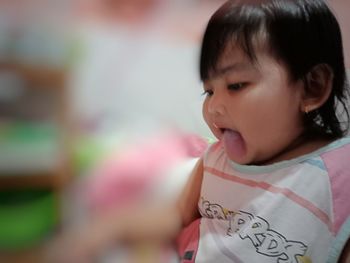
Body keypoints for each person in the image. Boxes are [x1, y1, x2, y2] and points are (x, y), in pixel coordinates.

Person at [48, 0, 350, 262]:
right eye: (208, 91)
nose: (214, 108)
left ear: (313, 87)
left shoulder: (337, 178)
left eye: (236, 86)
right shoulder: (216, 161)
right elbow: (175, 215)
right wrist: (107, 229)